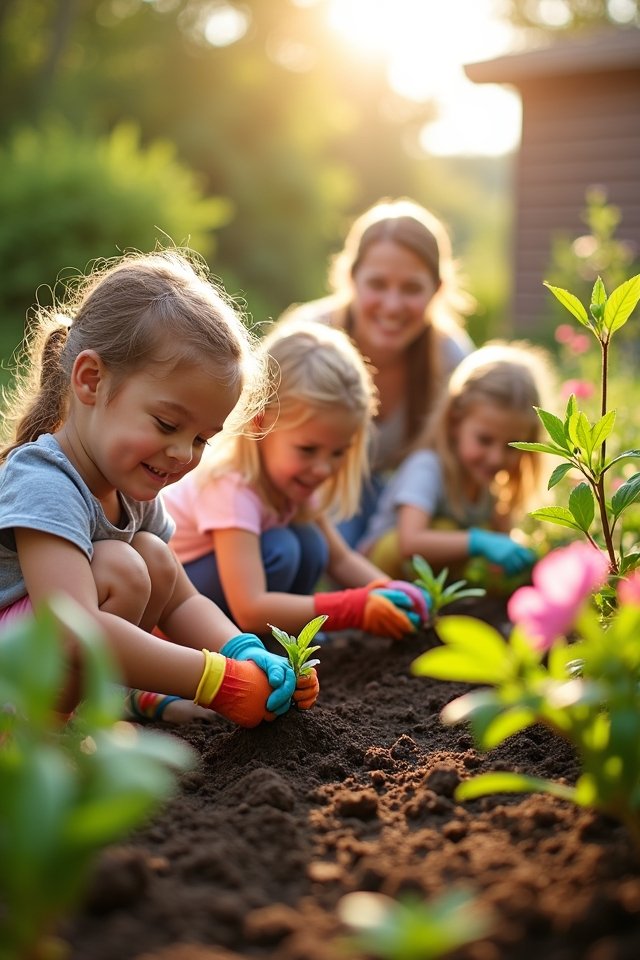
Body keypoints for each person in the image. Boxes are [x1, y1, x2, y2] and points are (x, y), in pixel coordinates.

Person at [0, 250, 311, 729]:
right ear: (90, 380)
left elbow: (182, 602)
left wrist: (246, 654)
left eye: (202, 438)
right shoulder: (44, 479)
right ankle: (36, 740)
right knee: (122, 567)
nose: (184, 453)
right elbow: (70, 629)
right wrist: (214, 681)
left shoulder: (131, 489)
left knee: (155, 558)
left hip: (34, 665)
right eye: (168, 423)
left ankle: (85, 718)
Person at [162, 318, 429, 641]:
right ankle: (248, 644)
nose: (322, 469)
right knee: (282, 548)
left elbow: (339, 559)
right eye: (308, 449)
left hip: (230, 598)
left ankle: (287, 638)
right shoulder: (231, 487)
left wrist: (390, 590)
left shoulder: (295, 480)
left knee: (311, 544)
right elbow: (250, 607)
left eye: (337, 453)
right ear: (260, 424)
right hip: (176, 612)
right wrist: (351, 609)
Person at [280, 197, 475, 547]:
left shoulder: (451, 358)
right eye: (378, 284)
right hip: (305, 496)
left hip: (396, 501)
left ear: (438, 289)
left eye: (412, 288)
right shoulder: (307, 335)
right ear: (350, 278)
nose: (392, 305)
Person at [358, 341, 555, 582]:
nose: (496, 458)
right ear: (455, 422)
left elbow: (502, 542)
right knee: (447, 531)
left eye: (511, 446)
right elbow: (409, 542)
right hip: (378, 575)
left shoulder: (492, 487)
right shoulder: (427, 467)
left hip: (433, 585)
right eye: (484, 440)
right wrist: (478, 541)